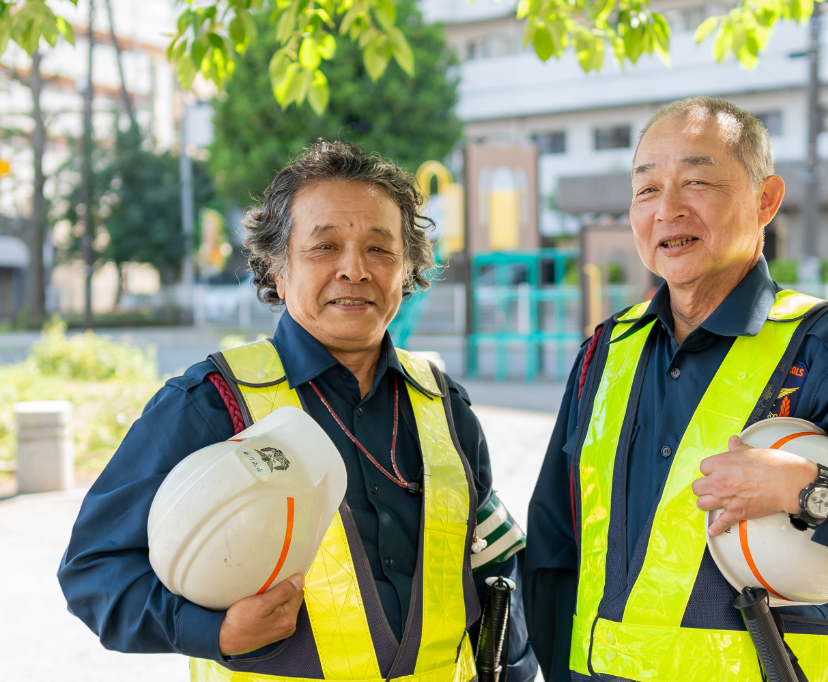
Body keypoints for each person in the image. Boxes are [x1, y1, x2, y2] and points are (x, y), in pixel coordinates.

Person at [523, 97, 828, 682]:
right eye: (646, 190)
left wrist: (811, 492)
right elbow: (553, 552)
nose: (667, 210)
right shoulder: (604, 353)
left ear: (766, 200)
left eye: (697, 181)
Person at [58, 141, 537, 682]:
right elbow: (93, 571)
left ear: (406, 269)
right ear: (277, 269)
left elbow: (495, 570)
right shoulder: (211, 403)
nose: (354, 269)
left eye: (380, 249)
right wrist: (211, 633)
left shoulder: (445, 407)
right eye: (324, 247)